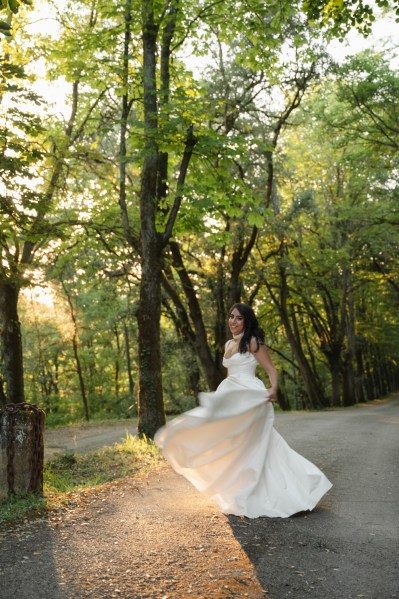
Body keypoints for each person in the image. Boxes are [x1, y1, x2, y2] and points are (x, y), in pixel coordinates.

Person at [155, 303, 332, 518]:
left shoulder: (252, 342)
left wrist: (273, 388)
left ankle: (294, 489)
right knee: (232, 443)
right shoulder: (229, 343)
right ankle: (239, 488)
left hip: (249, 396)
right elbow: (231, 375)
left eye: (239, 318)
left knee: (255, 445)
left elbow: (270, 369)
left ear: (246, 321)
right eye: (231, 317)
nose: (233, 321)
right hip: (232, 395)